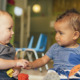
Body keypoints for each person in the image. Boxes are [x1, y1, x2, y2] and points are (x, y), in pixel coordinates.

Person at [26, 9, 80, 80]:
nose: (56, 36)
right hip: (57, 76)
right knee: (51, 75)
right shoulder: (55, 47)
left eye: (61, 33)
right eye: (56, 32)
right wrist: (33, 64)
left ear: (75, 35)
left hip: (74, 75)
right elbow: (43, 60)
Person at [0, 11, 28, 80]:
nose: (13, 32)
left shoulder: (10, 47)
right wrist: (15, 63)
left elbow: (16, 61)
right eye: (9, 29)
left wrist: (17, 69)